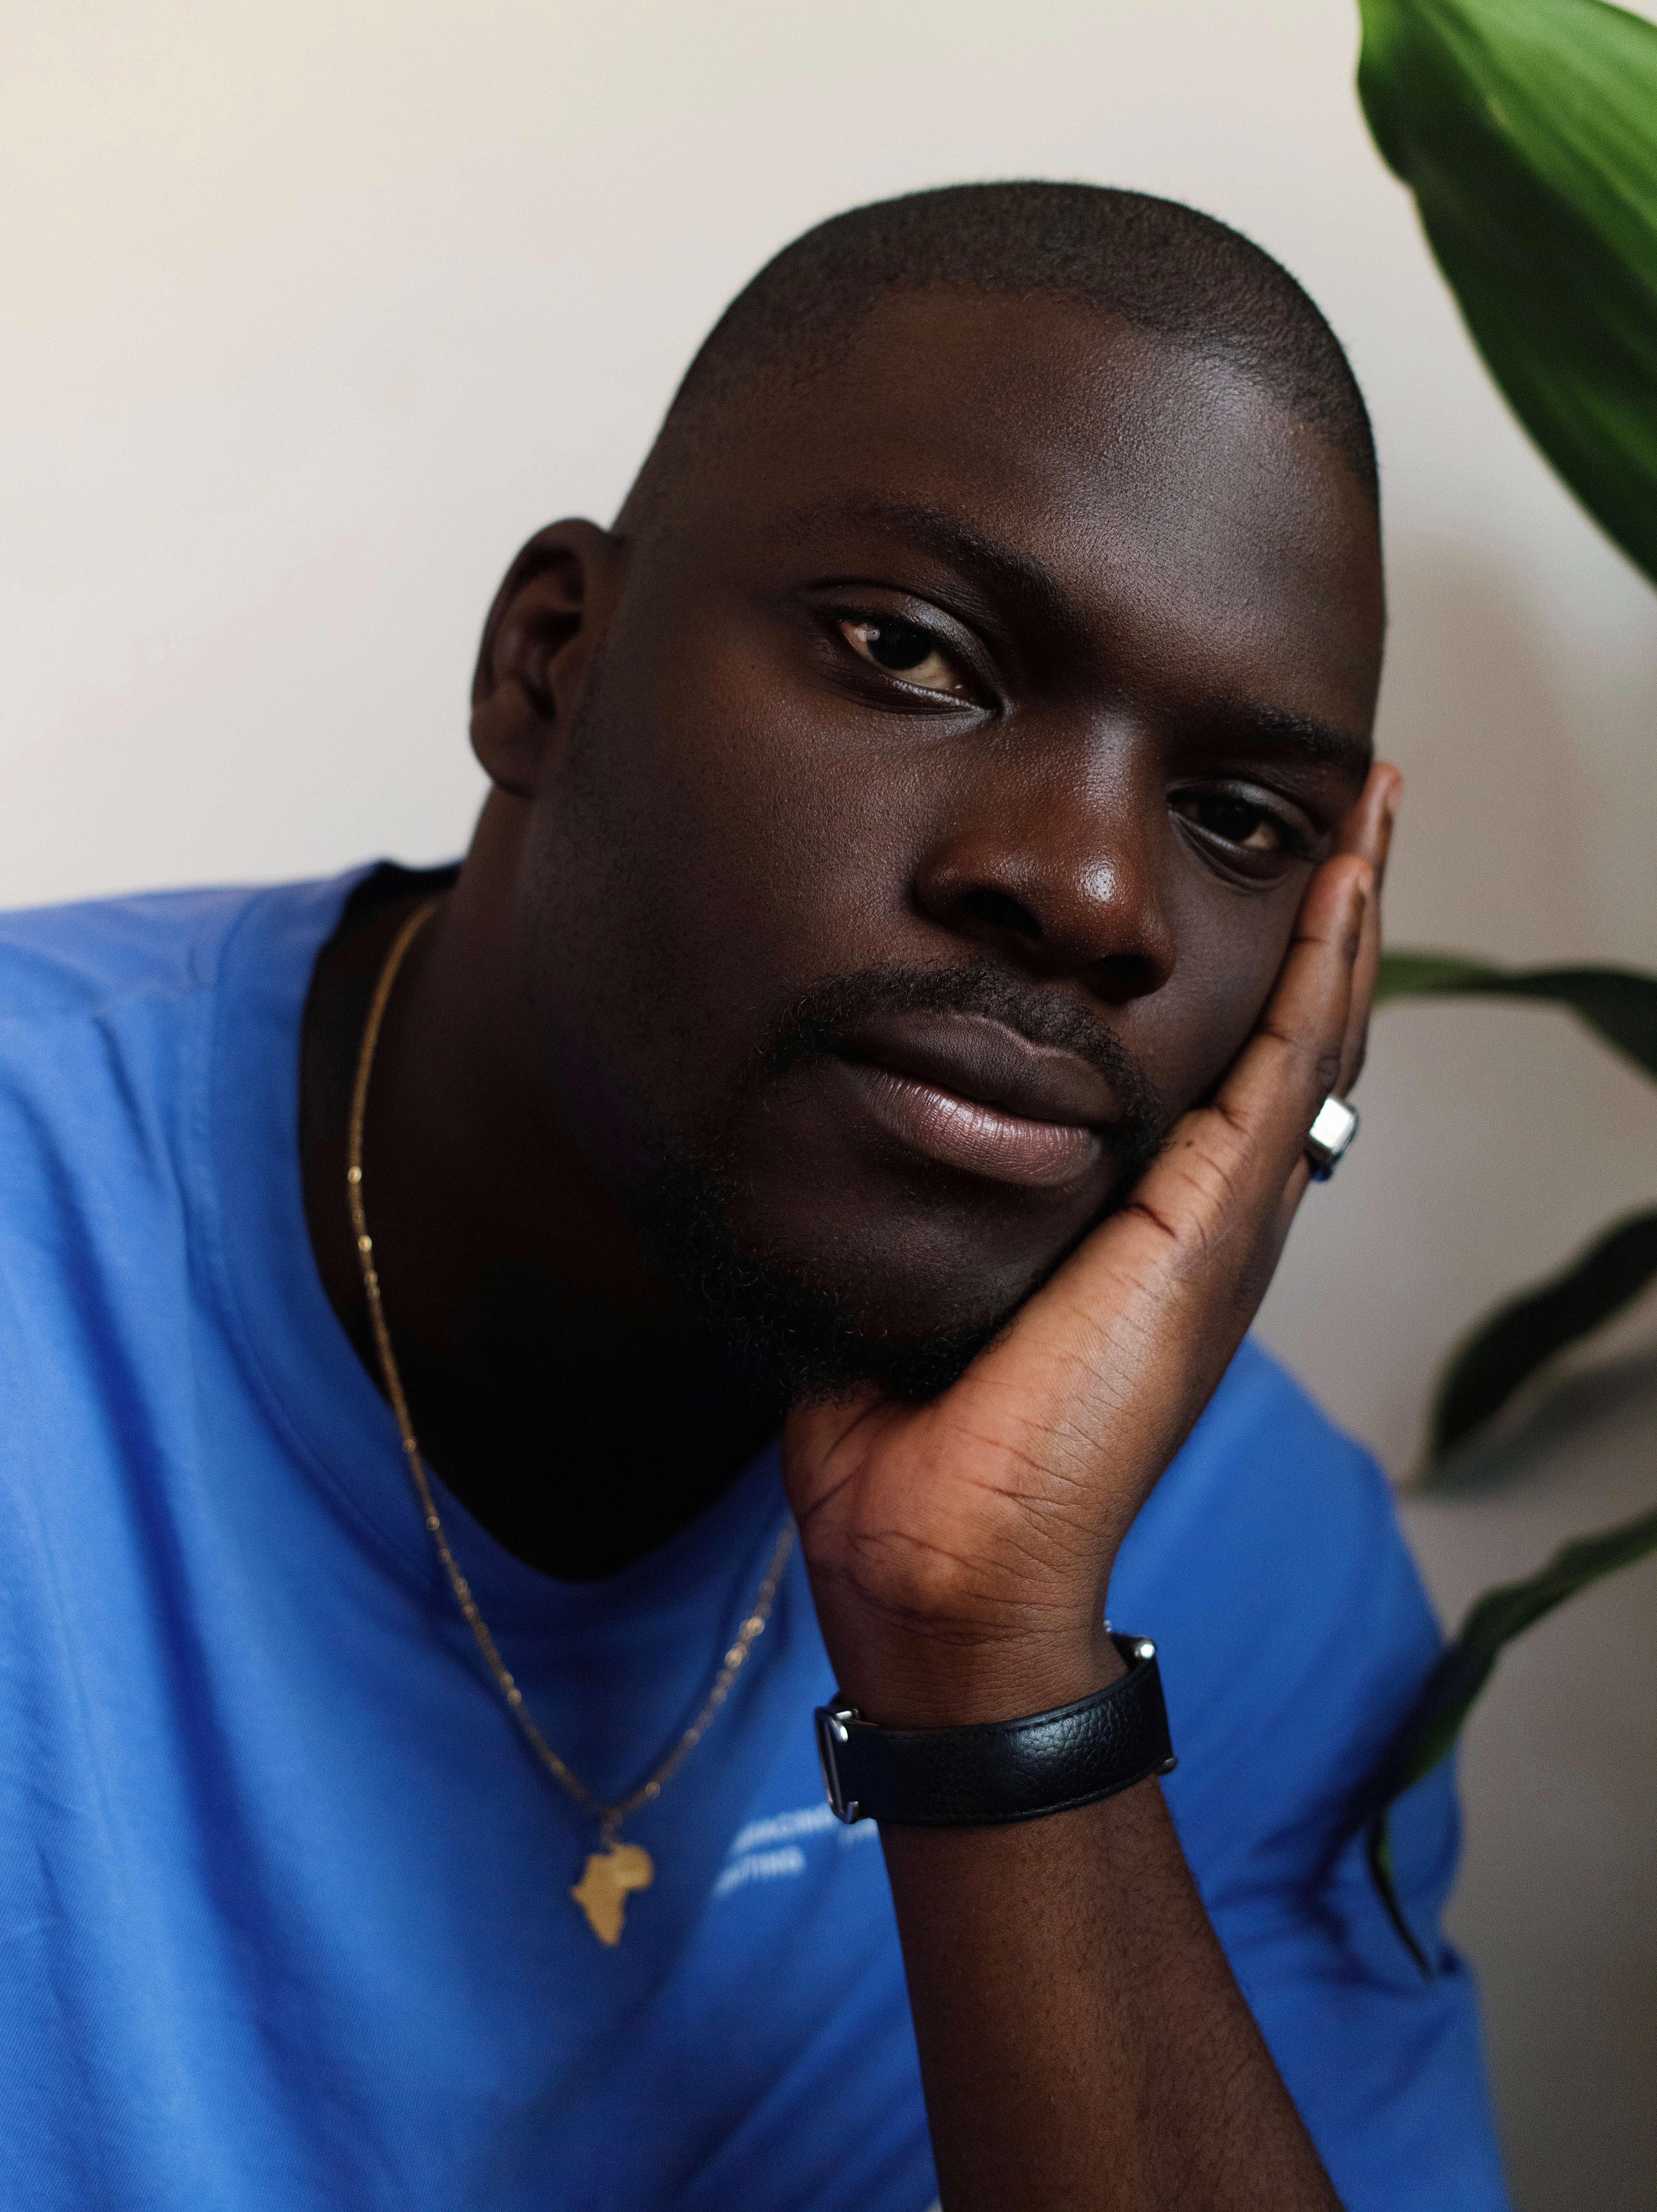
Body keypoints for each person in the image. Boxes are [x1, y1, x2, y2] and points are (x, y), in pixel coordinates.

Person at [0, 183, 1510, 2211]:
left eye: (1241, 820)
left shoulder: (1259, 1579)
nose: (1088, 890)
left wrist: (992, 1654)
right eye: (915, 655)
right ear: (550, 663)